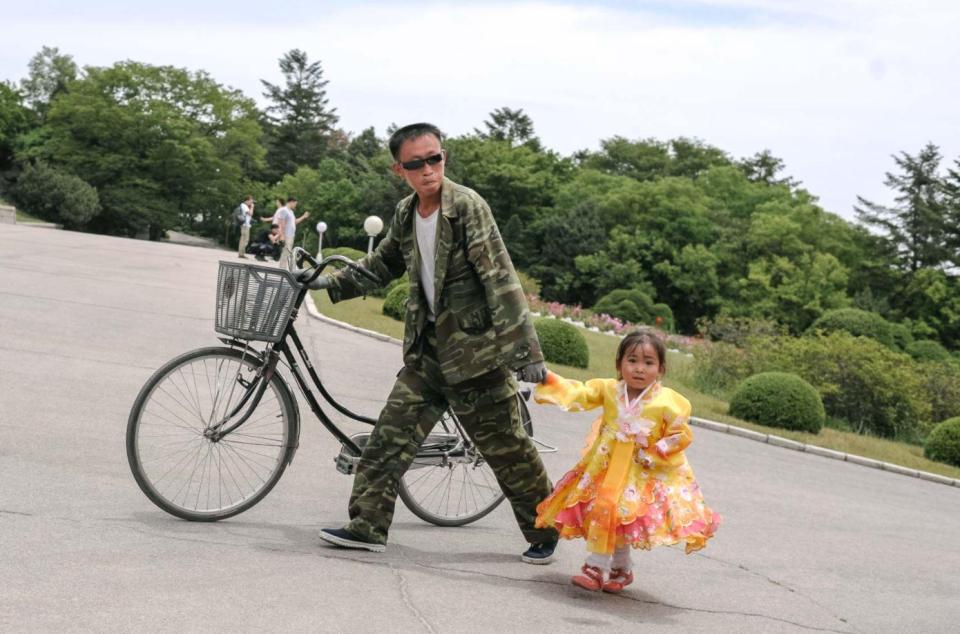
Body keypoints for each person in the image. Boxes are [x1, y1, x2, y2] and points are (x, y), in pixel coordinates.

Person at [311, 122, 559, 563]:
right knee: (389, 437)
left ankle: (546, 531)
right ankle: (366, 525)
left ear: (443, 157)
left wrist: (525, 354)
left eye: (435, 158)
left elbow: (499, 277)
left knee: (508, 450)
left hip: (476, 356)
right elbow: (383, 263)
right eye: (416, 163)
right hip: (427, 353)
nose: (428, 169)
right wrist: (328, 282)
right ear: (398, 169)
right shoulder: (407, 213)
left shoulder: (466, 207)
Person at [532, 330, 721, 593]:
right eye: (632, 361)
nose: (639, 369)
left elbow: (680, 435)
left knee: (621, 515)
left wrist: (656, 449)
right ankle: (599, 568)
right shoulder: (609, 390)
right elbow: (581, 393)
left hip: (640, 472)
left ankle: (615, 568)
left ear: (661, 369)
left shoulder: (669, 402)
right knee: (603, 509)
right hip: (605, 468)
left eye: (648, 363)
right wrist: (549, 379)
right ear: (619, 364)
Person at [274, 197, 309, 269]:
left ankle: (282, 268)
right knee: (285, 253)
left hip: (291, 235)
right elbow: (281, 224)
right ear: (291, 202)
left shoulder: (291, 212)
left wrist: (303, 217)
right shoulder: (284, 210)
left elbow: (294, 222)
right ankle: (282, 269)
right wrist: (282, 236)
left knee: (287, 253)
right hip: (286, 235)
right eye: (295, 204)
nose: (295, 206)